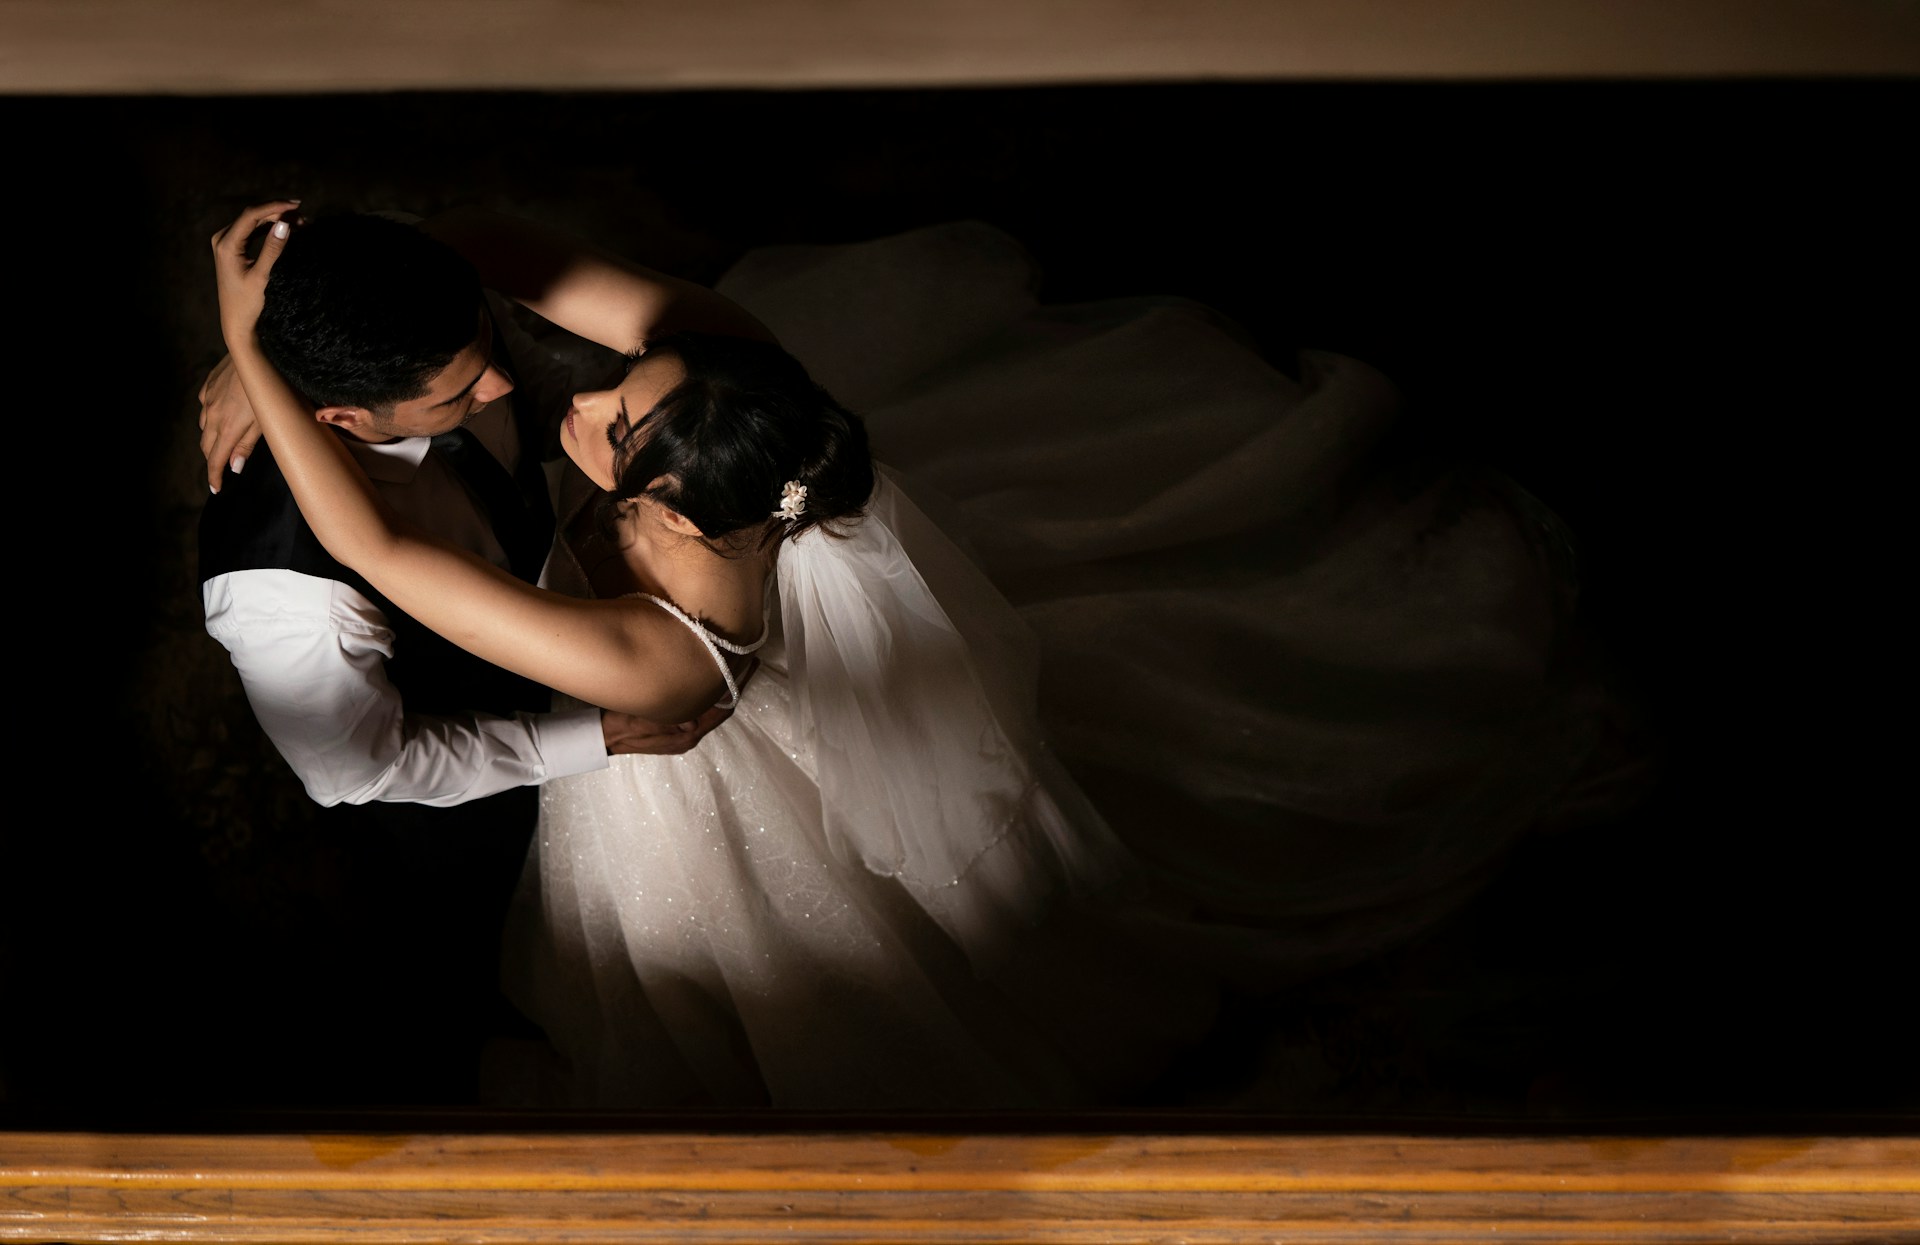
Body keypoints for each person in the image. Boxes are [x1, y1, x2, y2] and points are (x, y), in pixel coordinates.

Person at [208, 202, 1629, 1108]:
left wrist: (249, 353)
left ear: (666, 511)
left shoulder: (658, 665)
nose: (554, 393)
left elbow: (384, 553)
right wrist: (310, 311)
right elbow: (525, 270)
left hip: (687, 796)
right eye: (624, 385)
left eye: (614, 424)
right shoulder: (745, 369)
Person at [196, 211, 738, 1101]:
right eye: (454, 397)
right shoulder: (284, 593)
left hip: (570, 614)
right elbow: (362, 768)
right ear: (341, 417)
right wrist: (593, 738)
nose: (499, 382)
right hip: (461, 790)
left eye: (487, 343)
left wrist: (247, 351)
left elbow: (524, 377)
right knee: (467, 966)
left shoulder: (444, 329)